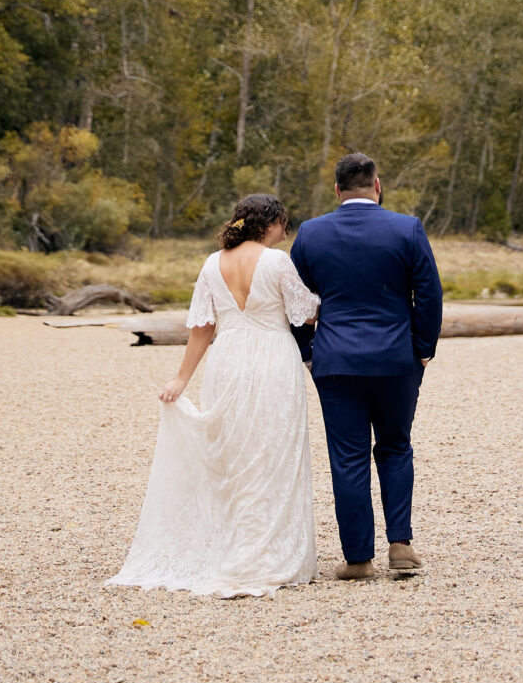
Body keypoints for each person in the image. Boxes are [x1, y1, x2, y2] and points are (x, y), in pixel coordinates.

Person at [107, 193, 320, 598]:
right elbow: (304, 313)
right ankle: (267, 553)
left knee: (233, 455)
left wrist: (181, 380)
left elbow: (202, 328)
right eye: (283, 223)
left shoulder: (211, 263)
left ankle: (234, 548)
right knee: (273, 453)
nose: (286, 231)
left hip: (228, 361)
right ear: (269, 222)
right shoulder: (277, 261)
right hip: (273, 359)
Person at [290, 151, 443, 581]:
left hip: (335, 361)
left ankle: (358, 559)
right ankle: (400, 546)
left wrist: (308, 350)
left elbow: (295, 300)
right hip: (397, 360)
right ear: (377, 186)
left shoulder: (311, 233)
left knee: (348, 458)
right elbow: (429, 293)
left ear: (337, 190)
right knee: (395, 446)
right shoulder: (407, 228)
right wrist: (423, 347)